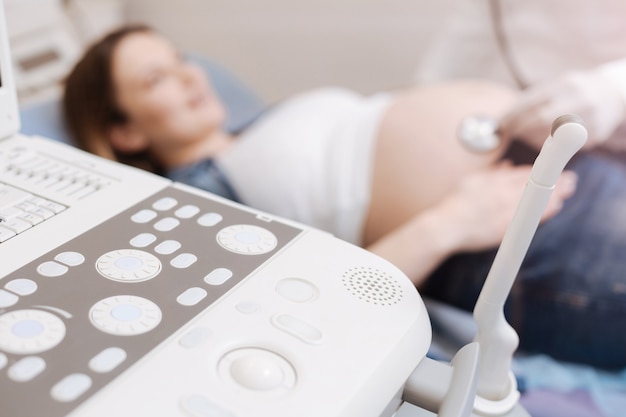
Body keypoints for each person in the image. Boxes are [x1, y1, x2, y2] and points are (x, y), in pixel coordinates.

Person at [62, 25, 626, 370]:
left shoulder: (260, 125)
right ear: (126, 133)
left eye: (179, 59)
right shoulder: (195, 205)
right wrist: (454, 220)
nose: (189, 77)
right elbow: (308, 302)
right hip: (525, 236)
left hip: (562, 166)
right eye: (155, 78)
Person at [415, 0, 626, 153]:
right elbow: (466, 40)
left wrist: (615, 89)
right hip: (523, 131)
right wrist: (422, 108)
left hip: (610, 141)